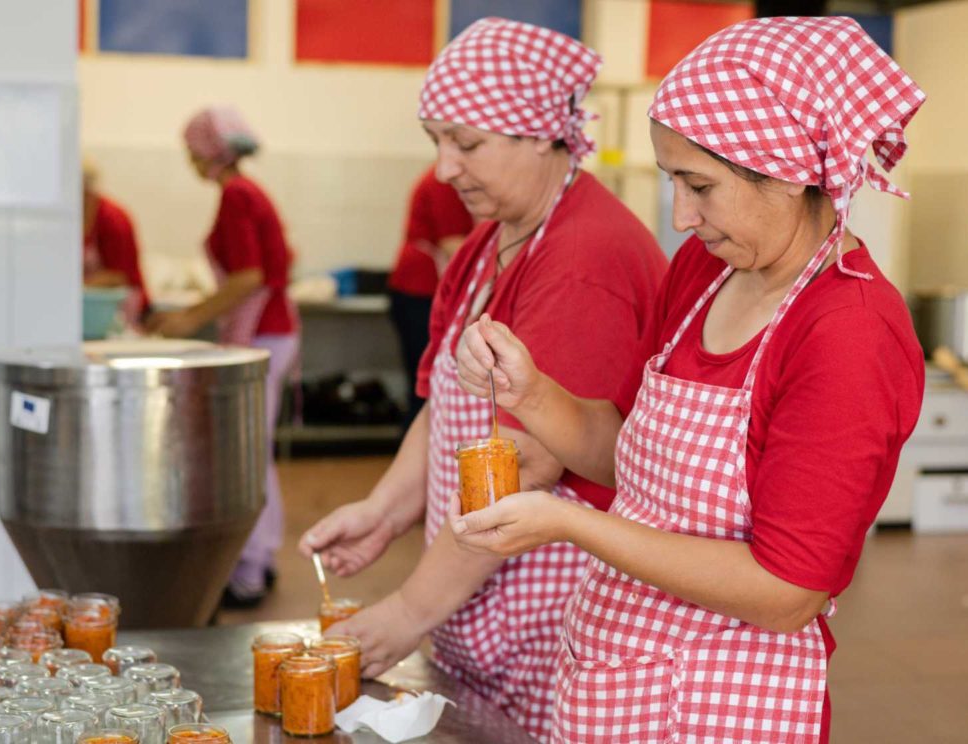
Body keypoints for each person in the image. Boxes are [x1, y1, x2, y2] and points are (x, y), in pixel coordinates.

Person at [451, 16, 927, 742]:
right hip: (619, 679)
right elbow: (630, 456)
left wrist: (573, 524)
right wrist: (530, 391)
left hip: (719, 704)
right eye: (673, 181)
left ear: (789, 171)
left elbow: (786, 591)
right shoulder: (707, 271)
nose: (679, 216)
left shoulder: (848, 331)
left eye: (699, 185)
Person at [298, 18, 668, 740]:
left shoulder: (582, 258)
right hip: (484, 601)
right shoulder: (490, 244)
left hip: (554, 621)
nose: (444, 169)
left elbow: (527, 465)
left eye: (466, 144)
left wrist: (407, 611)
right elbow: (446, 408)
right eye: (436, 141)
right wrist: (384, 509)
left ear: (539, 135)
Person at [147, 106, 299, 608]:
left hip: (262, 335)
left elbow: (248, 277)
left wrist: (189, 319)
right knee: (255, 450)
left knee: (248, 454)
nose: (189, 160)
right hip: (269, 332)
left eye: (191, 150)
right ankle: (261, 559)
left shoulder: (237, 195)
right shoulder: (246, 192)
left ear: (208, 151)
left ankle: (249, 570)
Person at [388, 166, 475, 427]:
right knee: (424, 387)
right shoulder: (444, 181)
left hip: (423, 292)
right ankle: (419, 460)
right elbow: (453, 244)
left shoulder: (449, 179)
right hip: (418, 293)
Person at [82, 160, 150, 327]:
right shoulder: (68, 220)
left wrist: (76, 287)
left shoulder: (113, 219)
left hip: (122, 311)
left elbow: (120, 277)